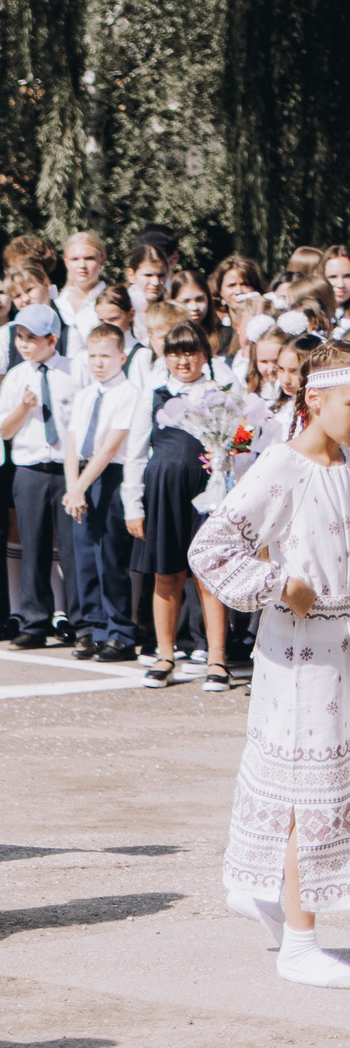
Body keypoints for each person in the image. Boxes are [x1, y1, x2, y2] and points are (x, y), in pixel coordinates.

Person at [191, 341, 350, 985]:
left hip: (341, 650)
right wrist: (282, 584)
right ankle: (300, 945)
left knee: (323, 783)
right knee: (306, 786)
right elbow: (211, 548)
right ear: (315, 398)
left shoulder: (345, 463)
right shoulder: (282, 465)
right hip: (303, 652)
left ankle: (267, 895)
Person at [131, 323, 235, 690]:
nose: (183, 360)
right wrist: (133, 505)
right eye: (175, 353)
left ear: (205, 355)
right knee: (166, 574)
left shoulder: (219, 394)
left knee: (208, 575)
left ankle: (217, 659)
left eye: (191, 352)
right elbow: (135, 453)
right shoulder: (154, 395)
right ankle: (165, 655)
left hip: (207, 493)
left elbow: (236, 443)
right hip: (163, 493)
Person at [63, 324, 144, 662]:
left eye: (106, 356)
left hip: (108, 476)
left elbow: (111, 446)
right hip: (81, 478)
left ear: (122, 357)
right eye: (93, 355)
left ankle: (120, 632)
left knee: (108, 557)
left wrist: (81, 486)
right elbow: (72, 442)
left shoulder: (129, 393)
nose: (98, 363)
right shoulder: (85, 395)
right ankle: (94, 628)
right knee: (84, 556)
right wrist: (73, 487)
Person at [0, 305, 74, 647]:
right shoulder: (16, 377)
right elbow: (4, 430)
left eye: (32, 337)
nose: (24, 344)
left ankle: (81, 621)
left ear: (52, 339)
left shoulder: (73, 371)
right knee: (33, 546)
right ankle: (34, 621)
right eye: (20, 336)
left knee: (72, 547)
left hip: (67, 469)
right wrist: (24, 407)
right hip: (30, 469)